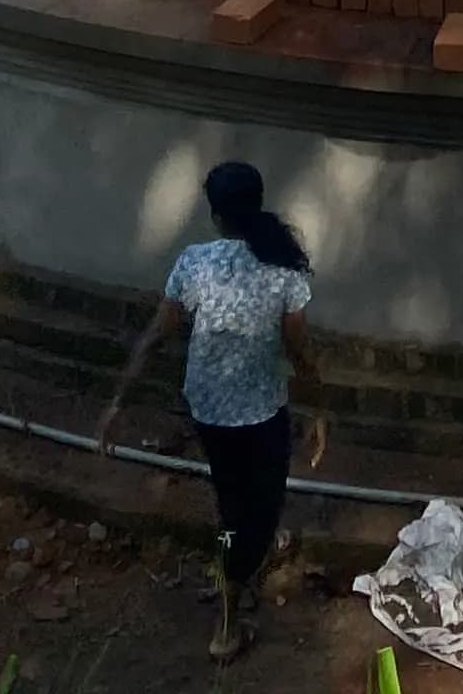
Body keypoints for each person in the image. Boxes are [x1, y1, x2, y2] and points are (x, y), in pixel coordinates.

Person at [97, 159, 320, 665]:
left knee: (231, 503)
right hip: (261, 414)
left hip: (208, 410)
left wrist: (117, 402)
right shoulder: (283, 271)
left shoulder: (195, 263)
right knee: (261, 513)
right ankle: (228, 616)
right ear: (257, 204)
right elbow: (300, 353)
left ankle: (230, 569)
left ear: (216, 215)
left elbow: (155, 337)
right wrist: (321, 408)